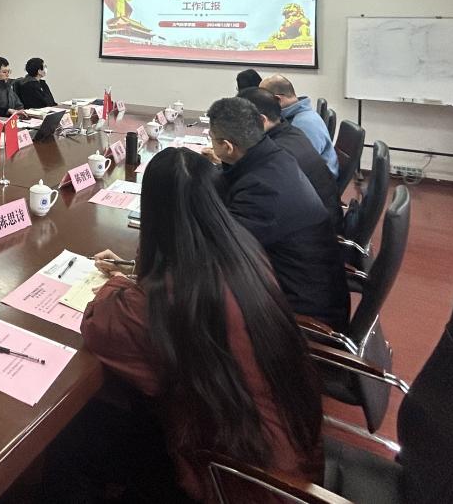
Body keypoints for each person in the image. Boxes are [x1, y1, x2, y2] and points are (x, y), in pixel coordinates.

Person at [41, 147, 322, 502]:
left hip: (238, 475)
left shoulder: (161, 301)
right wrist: (136, 270)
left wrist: (121, 282)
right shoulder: (244, 251)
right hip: (291, 438)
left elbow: (99, 323)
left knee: (71, 438)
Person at [206, 97, 349, 330]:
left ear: (227, 146)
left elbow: (220, 253)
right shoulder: (274, 157)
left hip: (303, 316)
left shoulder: (261, 191)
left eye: (211, 138)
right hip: (305, 287)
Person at [238, 86, 341, 227]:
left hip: (315, 227)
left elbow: (259, 195)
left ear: (262, 120)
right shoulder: (291, 131)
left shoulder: (279, 152)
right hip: (319, 213)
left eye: (239, 122)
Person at [260, 75, 338, 177]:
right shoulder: (295, 116)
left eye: (264, 101)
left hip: (319, 181)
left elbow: (295, 165)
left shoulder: (304, 124)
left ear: (278, 100)